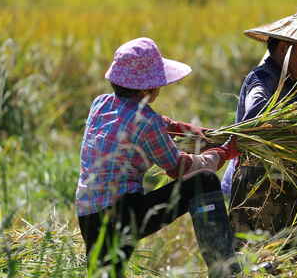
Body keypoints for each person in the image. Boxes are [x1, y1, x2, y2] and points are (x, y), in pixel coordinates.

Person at [75, 37, 240, 278]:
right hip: (121, 214)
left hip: (87, 213)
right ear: (147, 88)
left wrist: (202, 135)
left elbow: (164, 125)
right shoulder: (146, 121)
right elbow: (179, 167)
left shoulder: (100, 104)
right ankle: (225, 271)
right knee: (204, 182)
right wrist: (222, 153)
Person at [220, 13, 297, 238]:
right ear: (285, 49)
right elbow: (255, 116)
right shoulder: (263, 79)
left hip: (287, 184)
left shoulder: (295, 86)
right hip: (257, 185)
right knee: (250, 255)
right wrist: (295, 118)